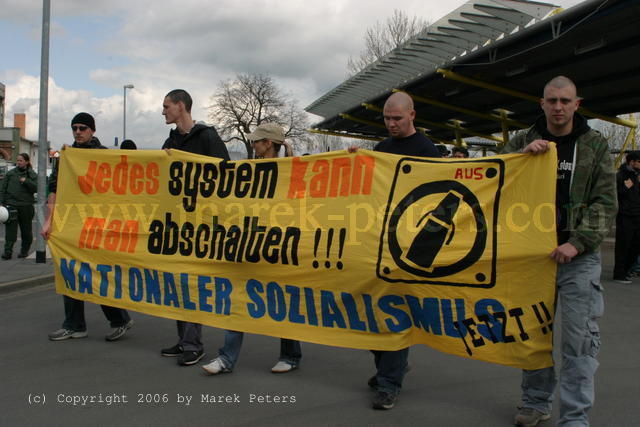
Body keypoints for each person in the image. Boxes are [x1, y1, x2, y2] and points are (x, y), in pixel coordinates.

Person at [502, 76, 616, 426]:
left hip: (577, 259)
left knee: (579, 340)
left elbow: (605, 202)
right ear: (541, 103)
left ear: (577, 104)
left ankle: (575, 416)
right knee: (532, 336)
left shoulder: (594, 145)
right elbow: (490, 181)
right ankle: (535, 403)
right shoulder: (522, 139)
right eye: (552, 100)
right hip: (532, 259)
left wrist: (576, 242)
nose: (558, 107)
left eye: (565, 101)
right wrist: (519, 159)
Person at [351, 92, 441, 410]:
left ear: (412, 115)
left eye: (397, 118)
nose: (391, 124)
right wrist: (355, 163)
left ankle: (389, 383)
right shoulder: (382, 149)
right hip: (379, 245)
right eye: (387, 118)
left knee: (395, 316)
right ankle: (392, 367)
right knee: (372, 315)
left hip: (409, 249)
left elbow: (439, 203)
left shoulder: (428, 151)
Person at [202, 122, 301, 376]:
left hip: (277, 248)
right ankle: (226, 358)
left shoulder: (292, 171)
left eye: (256, 141)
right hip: (251, 246)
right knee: (238, 302)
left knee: (281, 303)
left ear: (268, 144)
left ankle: (290, 355)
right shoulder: (248, 170)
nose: (253, 145)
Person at [42, 112, 134, 342]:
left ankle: (120, 319)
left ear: (92, 130)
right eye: (74, 128)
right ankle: (74, 325)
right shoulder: (66, 157)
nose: (78, 132)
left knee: (98, 276)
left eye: (82, 127)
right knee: (69, 271)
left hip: (98, 226)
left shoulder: (103, 155)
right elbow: (54, 190)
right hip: (71, 225)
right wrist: (49, 220)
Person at [159, 89, 230, 366]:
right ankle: (185, 340)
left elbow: (226, 174)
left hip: (201, 225)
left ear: (180, 106)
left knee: (191, 284)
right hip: (177, 223)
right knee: (178, 284)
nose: (163, 111)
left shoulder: (207, 136)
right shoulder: (170, 140)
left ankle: (193, 344)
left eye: (166, 106)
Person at [0, 153, 37, 259]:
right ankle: (8, 251)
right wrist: (1, 202)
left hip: (26, 206)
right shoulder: (11, 173)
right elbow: (3, 188)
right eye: (18, 160)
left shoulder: (32, 174)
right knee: (10, 230)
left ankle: (24, 251)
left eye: (21, 160)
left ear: (26, 162)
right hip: (11, 205)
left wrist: (26, 181)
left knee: (26, 230)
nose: (19, 162)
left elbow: (36, 188)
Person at [612, 151, 640, 284]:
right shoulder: (622, 175)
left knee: (635, 245)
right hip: (625, 215)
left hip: (637, 215)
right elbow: (617, 193)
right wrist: (629, 184)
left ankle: (627, 270)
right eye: (639, 161)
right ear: (631, 162)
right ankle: (619, 273)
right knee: (623, 245)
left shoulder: (637, 176)